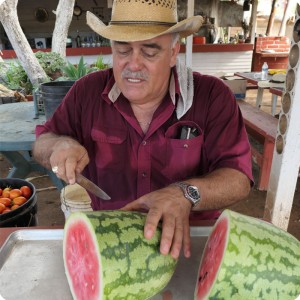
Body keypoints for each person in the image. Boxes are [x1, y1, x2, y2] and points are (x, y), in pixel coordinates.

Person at [33, 0, 253, 260]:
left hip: (190, 241)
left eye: (149, 52)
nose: (133, 65)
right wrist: (58, 146)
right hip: (112, 239)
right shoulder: (87, 92)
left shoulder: (212, 96)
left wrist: (186, 193)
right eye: (123, 50)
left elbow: (238, 179)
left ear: (173, 52)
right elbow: (42, 142)